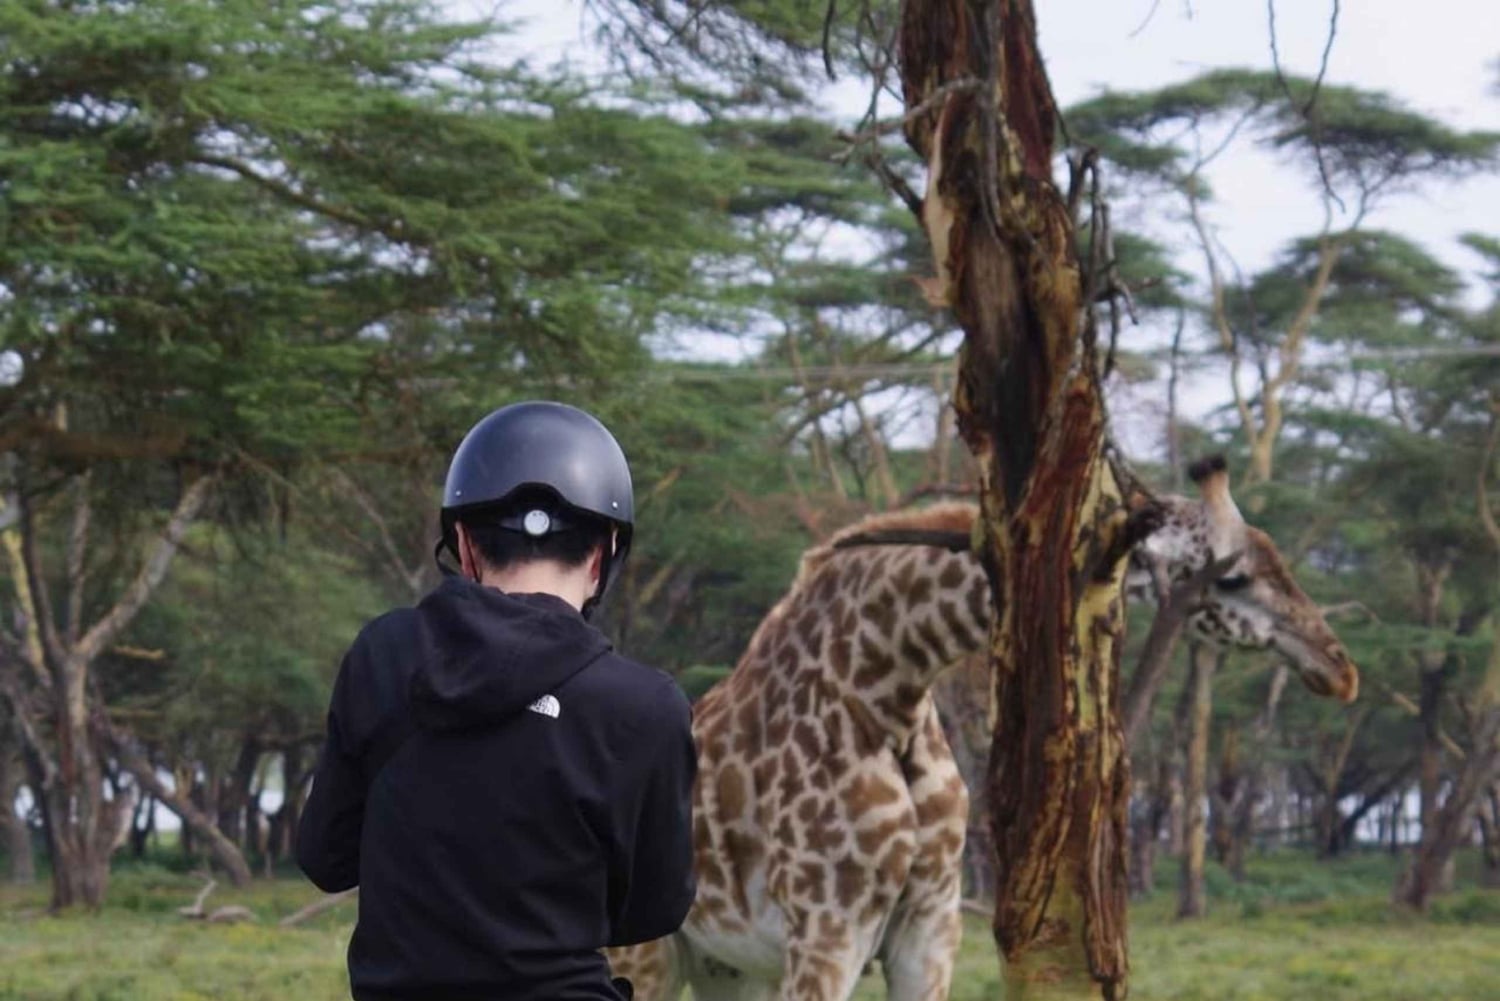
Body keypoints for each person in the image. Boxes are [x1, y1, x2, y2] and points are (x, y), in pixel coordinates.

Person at [296, 401, 697, 1001]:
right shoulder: (645, 706)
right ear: (605, 553)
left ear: (463, 541)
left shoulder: (384, 656)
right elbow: (654, 912)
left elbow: (325, 858)